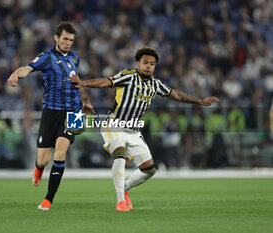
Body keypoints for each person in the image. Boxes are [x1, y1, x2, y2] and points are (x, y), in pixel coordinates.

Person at [70, 47, 219, 211]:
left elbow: (176, 94)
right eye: (145, 62)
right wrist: (83, 83)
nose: (149, 66)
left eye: (152, 64)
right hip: (114, 124)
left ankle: (125, 189)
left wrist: (200, 101)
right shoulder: (128, 76)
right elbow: (106, 81)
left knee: (149, 170)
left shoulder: (155, 84)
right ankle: (120, 201)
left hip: (134, 131)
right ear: (138, 63)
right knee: (120, 156)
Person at [7, 22, 94, 211]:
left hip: (73, 112)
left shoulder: (74, 58)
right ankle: (38, 170)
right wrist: (15, 74)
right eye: (65, 39)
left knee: (60, 153)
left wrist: (86, 100)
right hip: (51, 112)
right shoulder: (47, 57)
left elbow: (77, 82)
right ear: (56, 38)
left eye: (71, 40)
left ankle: (48, 199)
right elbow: (28, 68)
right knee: (43, 160)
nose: (68, 43)